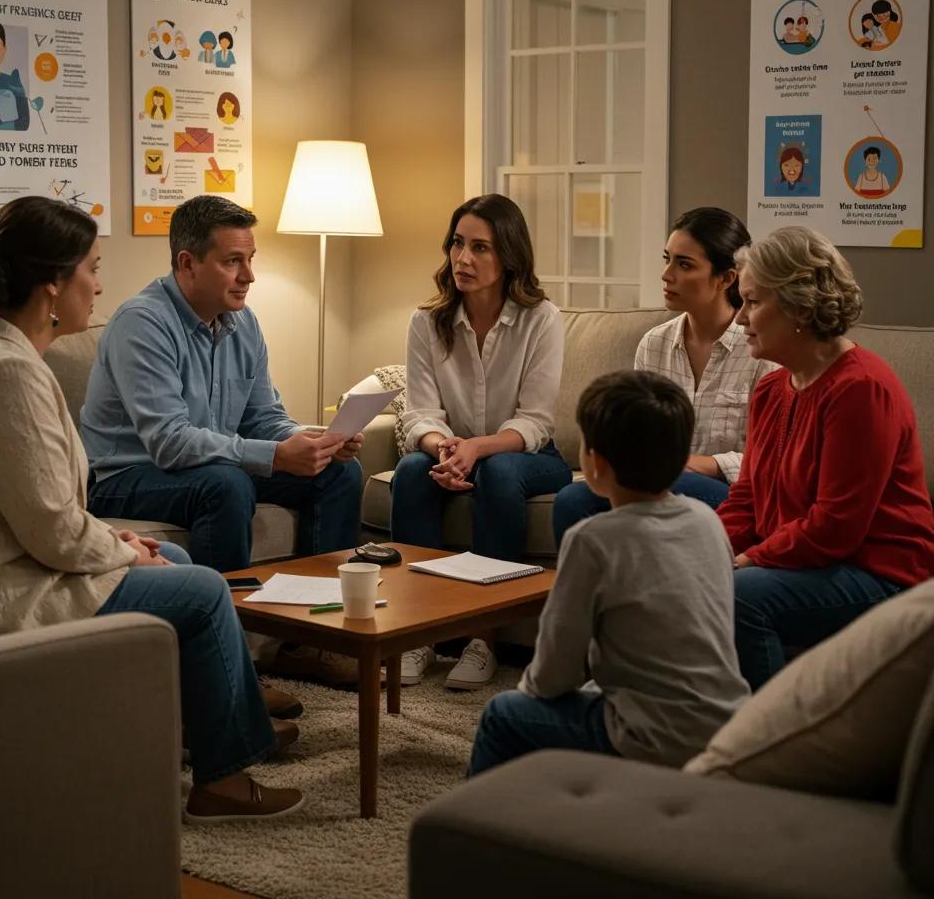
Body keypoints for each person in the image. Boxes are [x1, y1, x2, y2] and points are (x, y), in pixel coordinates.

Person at [0, 196, 305, 821]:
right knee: (200, 590)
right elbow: (51, 532)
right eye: (91, 268)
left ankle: (204, 728)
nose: (99, 285)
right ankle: (222, 781)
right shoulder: (3, 373)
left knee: (172, 553)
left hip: (18, 559)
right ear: (51, 286)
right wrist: (121, 548)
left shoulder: (9, 356)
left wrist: (125, 545)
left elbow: (39, 506)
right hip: (0, 589)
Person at [81, 195, 363, 685]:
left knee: (337, 474)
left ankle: (310, 642)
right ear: (187, 264)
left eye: (250, 260)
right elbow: (169, 442)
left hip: (206, 467)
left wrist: (312, 441)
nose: (249, 275)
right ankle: (226, 669)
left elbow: (263, 416)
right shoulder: (142, 324)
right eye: (234, 261)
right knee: (227, 484)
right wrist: (274, 456)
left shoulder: (243, 322)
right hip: (122, 474)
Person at [467, 370, 749, 776]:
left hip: (651, 737)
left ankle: (468, 835)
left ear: (594, 462)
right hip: (725, 724)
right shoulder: (708, 520)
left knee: (503, 714)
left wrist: (533, 696)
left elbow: (553, 675)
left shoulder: (593, 539)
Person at [719, 226, 934, 690]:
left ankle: (765, 746)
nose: (739, 319)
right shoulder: (772, 389)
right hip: (808, 559)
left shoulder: (859, 389)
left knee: (739, 597)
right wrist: (706, 546)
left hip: (880, 572)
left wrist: (748, 559)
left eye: (752, 302)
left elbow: (835, 526)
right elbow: (748, 496)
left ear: (798, 304)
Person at [390, 193, 572, 689]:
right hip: (452, 450)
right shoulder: (427, 321)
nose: (463, 259)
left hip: (526, 455)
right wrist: (442, 448)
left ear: (509, 256)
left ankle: (483, 637)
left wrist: (476, 449)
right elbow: (421, 412)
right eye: (457, 244)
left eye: (480, 248)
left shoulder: (542, 319)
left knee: (497, 471)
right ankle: (414, 633)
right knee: (409, 471)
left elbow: (535, 421)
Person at [552, 208, 775, 546]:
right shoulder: (654, 343)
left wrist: (703, 464)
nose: (666, 275)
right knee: (572, 499)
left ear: (726, 278)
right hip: (658, 480)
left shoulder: (760, 351)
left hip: (731, 493)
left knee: (669, 486)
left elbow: (769, 461)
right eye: (667, 259)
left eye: (684, 265)